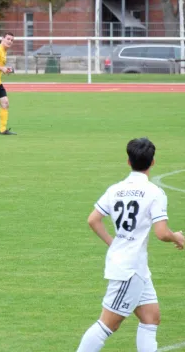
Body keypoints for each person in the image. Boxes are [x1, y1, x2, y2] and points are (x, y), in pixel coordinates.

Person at [75, 137, 183, 352]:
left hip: (135, 268)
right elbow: (162, 233)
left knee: (151, 318)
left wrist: (113, 243)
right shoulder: (154, 193)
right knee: (108, 324)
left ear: (128, 161)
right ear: (153, 162)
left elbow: (93, 219)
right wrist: (177, 237)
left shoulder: (115, 189)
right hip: (130, 269)